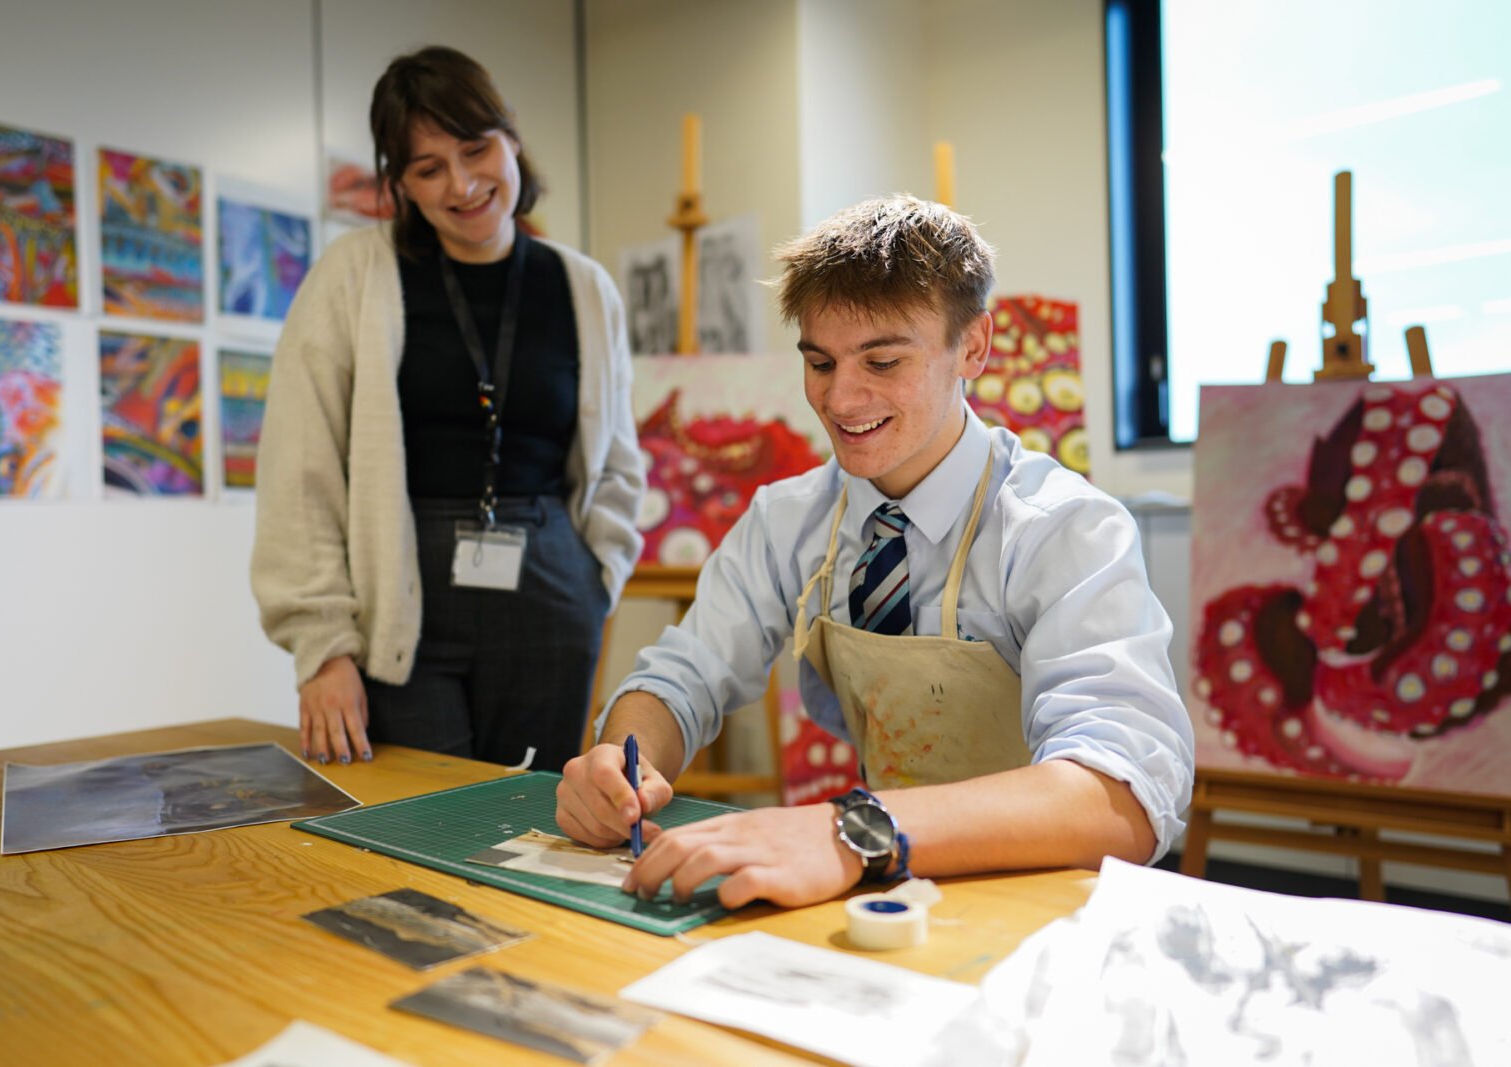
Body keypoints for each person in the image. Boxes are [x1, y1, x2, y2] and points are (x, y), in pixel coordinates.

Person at [557, 194, 1193, 909]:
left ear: (974, 347)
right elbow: (682, 677)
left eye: (883, 361)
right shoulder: (789, 520)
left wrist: (848, 831)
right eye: (820, 362)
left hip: (1050, 903)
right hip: (887, 888)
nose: (842, 397)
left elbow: (1124, 796)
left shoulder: (1063, 529)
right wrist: (620, 760)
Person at [251, 46, 644, 771]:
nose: (463, 185)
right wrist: (321, 646)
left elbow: (618, 459)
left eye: (475, 150)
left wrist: (598, 575)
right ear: (399, 182)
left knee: (534, 823)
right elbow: (297, 470)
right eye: (428, 169)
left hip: (551, 581)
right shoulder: (353, 277)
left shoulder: (584, 288)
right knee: (412, 821)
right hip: (398, 584)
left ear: (512, 137)